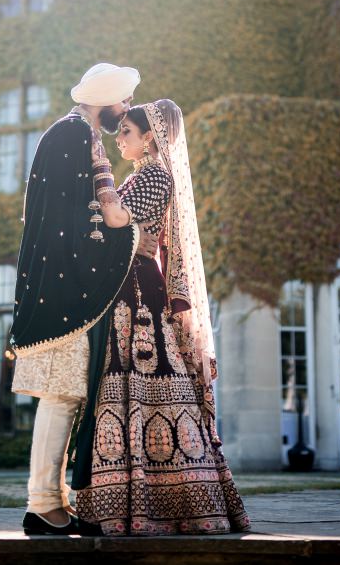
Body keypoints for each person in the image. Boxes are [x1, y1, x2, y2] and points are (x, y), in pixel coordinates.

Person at [72, 100, 250, 536]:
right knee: (121, 387)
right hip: (124, 284)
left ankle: (163, 501)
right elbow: (126, 233)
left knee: (138, 385)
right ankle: (122, 498)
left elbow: (116, 221)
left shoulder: (155, 175)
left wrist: (98, 174)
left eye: (127, 132)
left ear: (149, 136)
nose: (121, 138)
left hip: (136, 294)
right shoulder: (141, 175)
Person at [11, 63, 158, 535]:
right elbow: (75, 225)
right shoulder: (73, 136)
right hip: (61, 291)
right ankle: (41, 505)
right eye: (126, 102)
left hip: (62, 287)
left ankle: (52, 503)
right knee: (59, 395)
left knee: (67, 395)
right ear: (110, 100)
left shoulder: (78, 134)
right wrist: (135, 237)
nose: (128, 111)